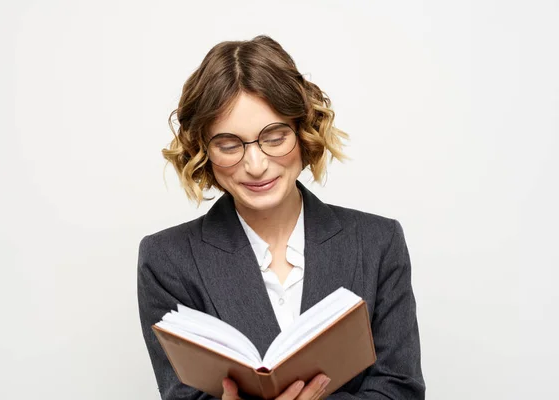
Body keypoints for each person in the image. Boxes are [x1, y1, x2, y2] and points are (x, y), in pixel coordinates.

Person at [137, 35, 425, 400]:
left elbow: (401, 389)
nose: (256, 166)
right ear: (203, 150)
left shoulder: (378, 242)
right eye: (229, 145)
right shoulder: (166, 259)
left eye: (274, 137)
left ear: (304, 131)